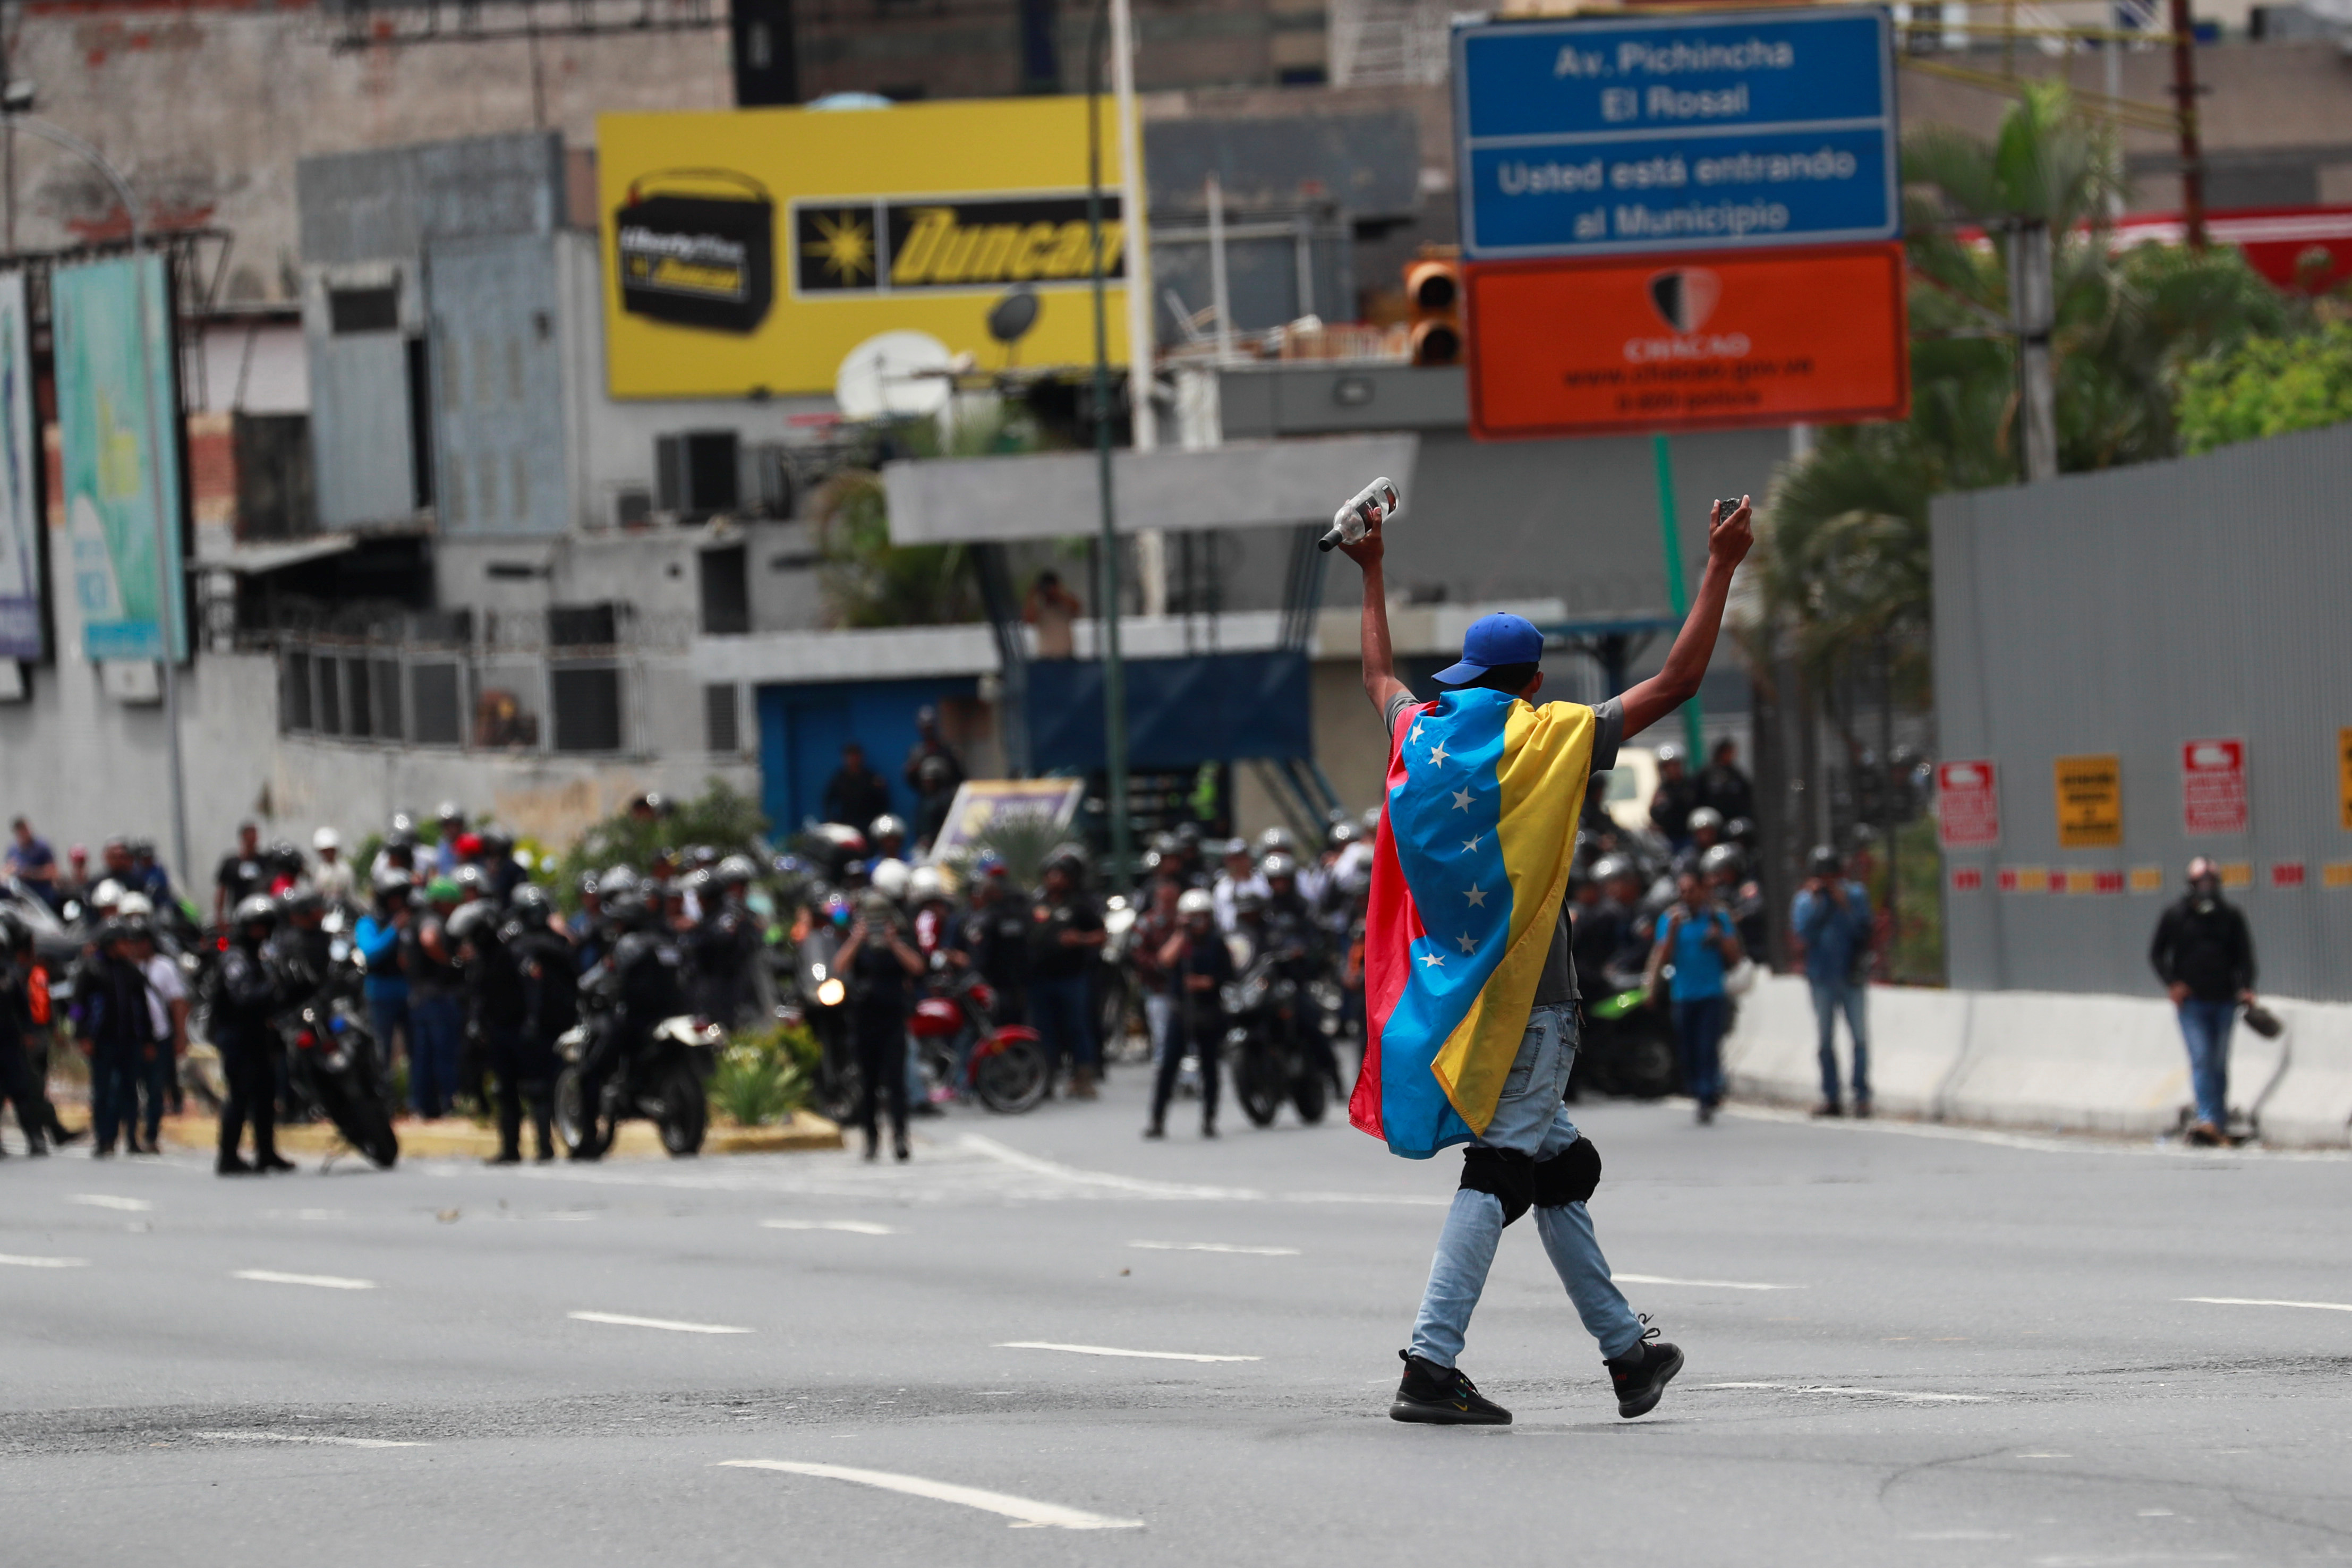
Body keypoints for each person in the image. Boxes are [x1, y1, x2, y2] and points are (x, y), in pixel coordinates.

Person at [1338, 483, 1752, 1427]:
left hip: (1460, 999)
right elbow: (1677, 683)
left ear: (1463, 678)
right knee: (1501, 1171)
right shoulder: (1553, 735)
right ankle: (1428, 1364)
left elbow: (1374, 676)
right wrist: (1721, 565)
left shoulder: (1421, 732)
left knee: (1559, 1170)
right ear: (1529, 681)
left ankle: (1625, 1355)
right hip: (1536, 1000)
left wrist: (1372, 571)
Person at [2150, 857, 2257, 1146]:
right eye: (2202, 883)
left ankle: (2217, 1121)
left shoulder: (2230, 917)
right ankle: (2208, 1117)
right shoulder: (2176, 915)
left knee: (2219, 1062)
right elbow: (2157, 953)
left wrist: (2247, 987)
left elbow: (2244, 956)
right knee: (2202, 1059)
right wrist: (2172, 984)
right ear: (2192, 885)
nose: (2207, 888)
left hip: (2224, 1000)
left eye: (2212, 883)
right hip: (2193, 1003)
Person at [838, 891, 922, 1161]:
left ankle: (900, 1137)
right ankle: (871, 1139)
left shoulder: (901, 939)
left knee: (896, 1083)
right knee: (868, 1083)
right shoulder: (858, 942)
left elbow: (918, 967)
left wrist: (893, 942)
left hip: (893, 1018)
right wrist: (857, 939)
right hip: (864, 1019)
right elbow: (839, 966)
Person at [1652, 870, 1742, 1124]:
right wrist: (1671, 932)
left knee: (1707, 1047)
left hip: (1711, 994)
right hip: (1683, 995)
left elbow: (1735, 956)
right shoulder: (1671, 919)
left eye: (1692, 890)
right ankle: (1697, 1088)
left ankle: (1707, 1094)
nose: (1687, 896)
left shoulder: (1718, 917)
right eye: (1683, 892)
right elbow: (1664, 956)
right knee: (1688, 1049)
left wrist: (1719, 937)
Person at [1791, 845, 1873, 1118]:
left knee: (1859, 1038)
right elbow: (1805, 934)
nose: (1827, 881)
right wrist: (1819, 904)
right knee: (1825, 1040)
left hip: (1851, 977)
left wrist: (1843, 903)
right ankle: (1831, 1096)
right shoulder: (1806, 900)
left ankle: (1861, 1096)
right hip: (1822, 978)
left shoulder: (1855, 895)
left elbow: (1863, 930)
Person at [1145, 888, 1233, 1139]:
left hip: (1208, 1012)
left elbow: (1228, 975)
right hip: (1181, 1013)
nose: (1197, 923)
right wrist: (1181, 934)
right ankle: (1157, 1119)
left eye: (1201, 917)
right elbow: (1164, 961)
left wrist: (1208, 983)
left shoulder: (1216, 943)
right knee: (1168, 1067)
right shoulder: (1180, 942)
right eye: (1191, 917)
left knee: (1209, 1068)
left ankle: (1209, 1119)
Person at [214, 895, 292, 1174]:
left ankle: (266, 1153)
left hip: (260, 1038)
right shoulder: (235, 958)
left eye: (265, 927)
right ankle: (228, 1156)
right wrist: (273, 988)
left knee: (265, 1095)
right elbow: (242, 997)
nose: (261, 933)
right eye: (256, 927)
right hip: (237, 1038)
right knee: (240, 1097)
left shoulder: (263, 957)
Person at [1027, 851, 1105, 1098]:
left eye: (1059, 875)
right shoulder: (1035, 905)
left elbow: (1101, 935)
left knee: (1077, 1027)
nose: (1054, 879)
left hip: (1072, 977)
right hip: (1041, 979)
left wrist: (1080, 939)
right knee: (1043, 1030)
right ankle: (1045, 1080)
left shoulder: (1079, 906)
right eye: (1050, 874)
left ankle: (1082, 1078)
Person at [508, 885, 575, 1162]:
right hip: (559, 1023)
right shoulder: (560, 945)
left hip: (537, 1027)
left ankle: (544, 1145)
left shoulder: (522, 948)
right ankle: (547, 1143)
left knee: (539, 1088)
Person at [125, 912, 188, 1153]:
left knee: (155, 1088)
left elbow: (178, 1002)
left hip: (159, 1036)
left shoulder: (165, 967)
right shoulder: (125, 968)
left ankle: (151, 1134)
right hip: (130, 1037)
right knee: (128, 1087)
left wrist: (181, 1036)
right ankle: (130, 1135)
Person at [405, 878, 465, 1118]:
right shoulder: (433, 920)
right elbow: (429, 940)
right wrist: (449, 961)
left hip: (418, 995)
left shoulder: (413, 920)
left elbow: (404, 959)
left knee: (421, 1054)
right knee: (444, 1052)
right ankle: (449, 1104)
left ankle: (421, 1106)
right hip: (437, 997)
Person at [355, 871, 413, 1085]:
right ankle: (385, 1099)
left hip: (409, 990)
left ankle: (420, 1102)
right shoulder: (369, 922)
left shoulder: (411, 919)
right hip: (380, 991)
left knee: (417, 1048)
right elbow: (370, 953)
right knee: (382, 1049)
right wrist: (394, 930)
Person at [0, 915, 47, 1155]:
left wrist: (29, 1031)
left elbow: (24, 1007)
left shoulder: (11, 977)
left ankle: (35, 1138)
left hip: (10, 1042)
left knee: (22, 1091)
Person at [822, 743, 893, 831]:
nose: (853, 759)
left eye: (856, 756)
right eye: (850, 756)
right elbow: (828, 800)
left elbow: (883, 802)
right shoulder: (839, 779)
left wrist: (879, 822)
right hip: (847, 824)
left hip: (869, 825)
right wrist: (832, 820)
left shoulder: (871, 778)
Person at [903, 705, 966, 798]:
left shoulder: (947, 750)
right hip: (927, 797)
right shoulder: (916, 752)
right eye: (925, 728)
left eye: (930, 727)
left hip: (947, 796)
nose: (928, 731)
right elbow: (910, 778)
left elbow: (960, 776)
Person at [212, 821, 267, 928]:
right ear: (243, 838)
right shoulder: (231, 863)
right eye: (249, 837)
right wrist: (219, 916)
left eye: (254, 837)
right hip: (239, 914)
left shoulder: (264, 862)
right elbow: (222, 890)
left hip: (261, 913)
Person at [1647, 745, 1700, 850]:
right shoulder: (1662, 789)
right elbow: (1654, 813)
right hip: (1669, 839)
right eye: (1667, 766)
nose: (1671, 769)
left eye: (1675, 765)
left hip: (1690, 837)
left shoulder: (1691, 786)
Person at [1024, 568, 1081, 659]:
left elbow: (1077, 608)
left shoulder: (1065, 605)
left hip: (1066, 656)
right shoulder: (1038, 607)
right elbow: (1029, 620)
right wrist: (1032, 594)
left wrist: (1058, 594)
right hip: (1045, 656)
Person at [1696, 737, 1754, 825]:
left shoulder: (1737, 775)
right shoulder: (1707, 774)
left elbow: (1747, 796)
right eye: (1726, 752)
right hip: (1712, 823)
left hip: (1734, 822)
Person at [5, 816, 59, 909]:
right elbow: (7, 871)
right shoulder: (14, 850)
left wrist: (31, 874)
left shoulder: (41, 848)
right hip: (22, 899)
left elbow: (53, 872)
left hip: (42, 898)